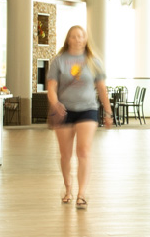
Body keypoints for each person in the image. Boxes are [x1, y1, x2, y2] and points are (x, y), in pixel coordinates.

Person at [47, 25, 113, 208]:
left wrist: (108, 112)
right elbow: (51, 87)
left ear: (85, 39)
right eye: (74, 36)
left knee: (83, 151)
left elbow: (102, 89)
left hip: (88, 110)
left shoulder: (93, 61)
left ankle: (82, 193)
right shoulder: (59, 61)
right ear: (68, 39)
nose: (78, 39)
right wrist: (55, 103)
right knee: (65, 154)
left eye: (81, 36)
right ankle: (68, 188)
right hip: (64, 111)